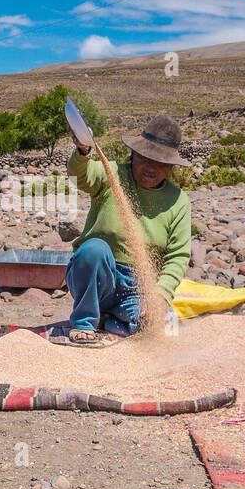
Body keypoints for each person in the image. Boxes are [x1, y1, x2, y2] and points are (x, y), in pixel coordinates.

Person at [64, 114, 192, 343]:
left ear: (171, 167)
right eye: (146, 158)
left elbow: (178, 256)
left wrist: (159, 297)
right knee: (94, 250)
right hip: (98, 276)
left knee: (158, 329)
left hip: (137, 287)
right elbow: (78, 177)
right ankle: (84, 321)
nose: (152, 168)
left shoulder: (178, 200)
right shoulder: (111, 173)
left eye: (161, 163)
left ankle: (107, 321)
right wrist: (83, 151)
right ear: (134, 154)